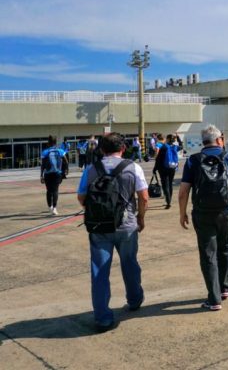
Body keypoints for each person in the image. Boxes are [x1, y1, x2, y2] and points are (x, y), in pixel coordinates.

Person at [77, 132, 148, 331]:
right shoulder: (133, 167)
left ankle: (103, 317)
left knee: (99, 270)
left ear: (101, 149)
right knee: (130, 263)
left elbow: (81, 197)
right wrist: (140, 218)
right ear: (123, 148)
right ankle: (134, 299)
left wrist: (96, 211)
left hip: (99, 227)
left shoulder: (91, 169)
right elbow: (144, 196)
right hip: (127, 225)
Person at [178, 124, 228, 311]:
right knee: (226, 246)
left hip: (202, 213)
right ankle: (225, 288)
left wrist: (182, 213)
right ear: (219, 140)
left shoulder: (193, 161)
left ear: (204, 142)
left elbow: (183, 190)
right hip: (226, 211)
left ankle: (214, 298)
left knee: (208, 253)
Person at [40, 135, 68, 215]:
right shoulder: (60, 151)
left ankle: (50, 207)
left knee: (49, 191)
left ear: (48, 142)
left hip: (48, 174)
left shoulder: (45, 152)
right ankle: (55, 208)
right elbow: (66, 161)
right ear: (56, 142)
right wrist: (65, 171)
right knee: (55, 190)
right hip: (57, 173)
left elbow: (43, 165)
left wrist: (41, 175)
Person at [154, 133, 179, 209]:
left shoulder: (164, 147)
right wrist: (178, 137)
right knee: (170, 184)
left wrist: (155, 168)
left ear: (167, 139)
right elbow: (182, 146)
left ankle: (168, 202)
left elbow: (158, 159)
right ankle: (169, 200)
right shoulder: (175, 147)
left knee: (165, 185)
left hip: (163, 168)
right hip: (172, 167)